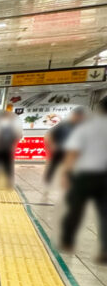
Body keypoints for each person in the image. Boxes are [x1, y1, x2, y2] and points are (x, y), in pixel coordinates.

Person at [59, 98, 107, 263]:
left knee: (75, 210)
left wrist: (66, 173)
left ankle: (67, 241)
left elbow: (73, 153)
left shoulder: (86, 128)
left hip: (85, 176)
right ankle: (105, 251)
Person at [45, 106, 86, 187]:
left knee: (70, 168)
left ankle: (69, 184)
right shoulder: (63, 125)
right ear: (74, 115)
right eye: (78, 116)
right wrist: (52, 146)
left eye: (81, 116)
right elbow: (49, 135)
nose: (79, 118)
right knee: (53, 166)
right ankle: (48, 181)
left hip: (72, 151)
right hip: (59, 150)